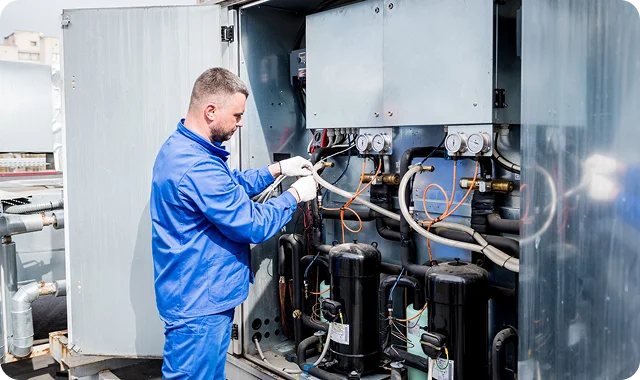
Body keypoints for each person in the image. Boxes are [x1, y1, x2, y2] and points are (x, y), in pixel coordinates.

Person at [150, 67, 318, 379]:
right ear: (210, 111)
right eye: (237, 115)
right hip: (199, 301)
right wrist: (294, 196)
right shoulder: (196, 165)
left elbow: (230, 184)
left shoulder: (185, 148)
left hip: (198, 294)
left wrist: (277, 169)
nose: (240, 123)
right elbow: (251, 224)